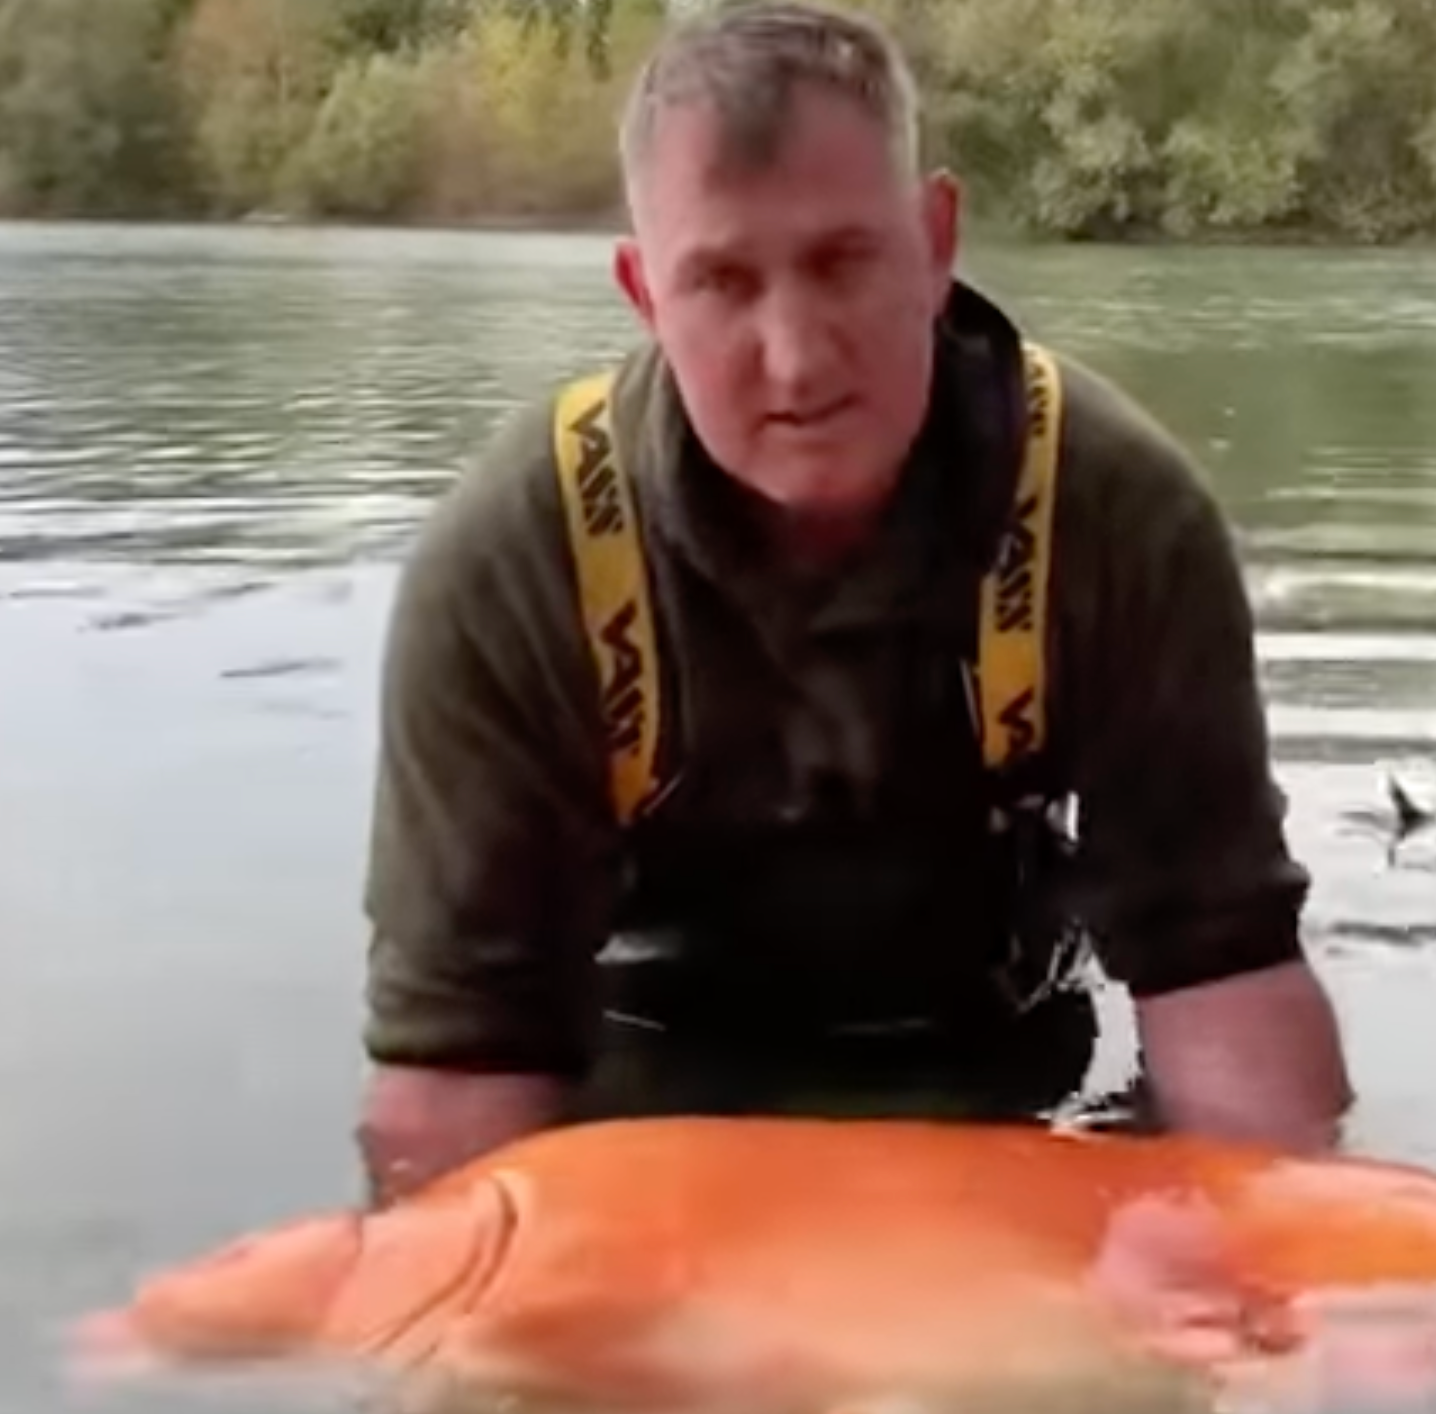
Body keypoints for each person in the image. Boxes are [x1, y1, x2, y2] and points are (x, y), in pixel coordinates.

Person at [353, 0, 1353, 1207]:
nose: (796, 356)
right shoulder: (517, 559)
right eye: (721, 281)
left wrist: (1295, 1286)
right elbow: (457, 1086)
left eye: (842, 261)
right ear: (642, 295)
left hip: (1006, 1093)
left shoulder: (1111, 507)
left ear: (936, 243)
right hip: (649, 1116)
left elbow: (1224, 983)